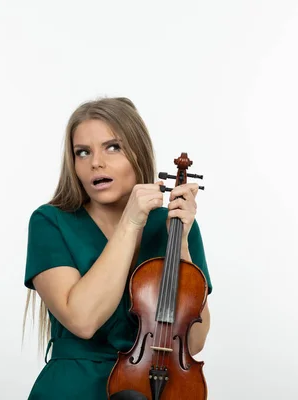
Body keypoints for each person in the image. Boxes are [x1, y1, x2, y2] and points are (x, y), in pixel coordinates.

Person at [22, 97, 213, 399]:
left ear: (138, 152)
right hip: (72, 389)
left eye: (113, 147)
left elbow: (193, 343)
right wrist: (131, 222)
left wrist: (182, 247)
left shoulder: (173, 226)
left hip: (151, 387)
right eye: (82, 152)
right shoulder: (50, 222)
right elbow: (83, 320)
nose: (96, 162)